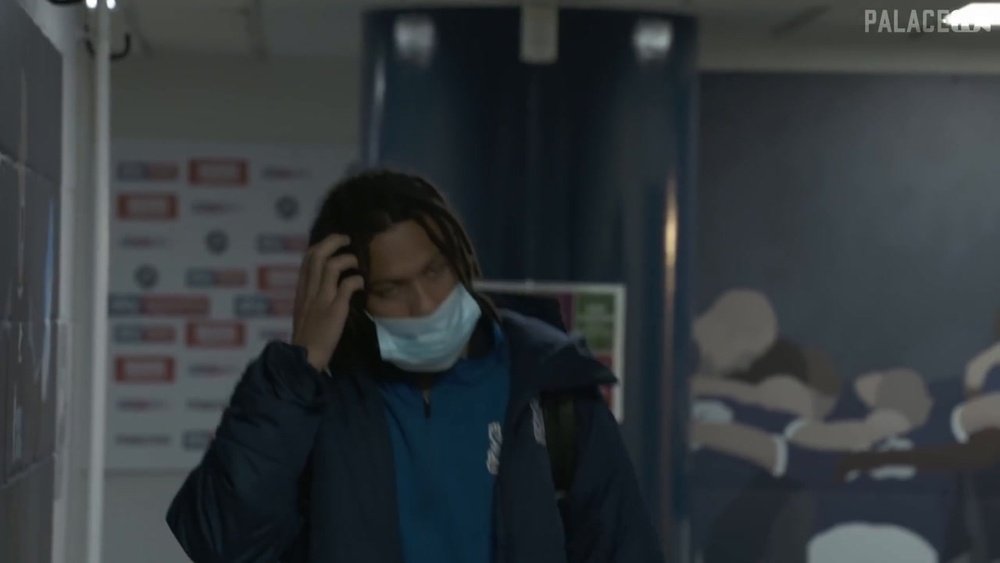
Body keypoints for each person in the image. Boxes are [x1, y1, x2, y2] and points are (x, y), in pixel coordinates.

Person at [166, 170, 662, 563]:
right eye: (391, 289)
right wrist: (300, 366)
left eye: (434, 271)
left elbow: (624, 549)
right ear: (353, 300)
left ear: (461, 262)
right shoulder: (314, 409)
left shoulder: (551, 392)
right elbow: (221, 544)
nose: (424, 303)